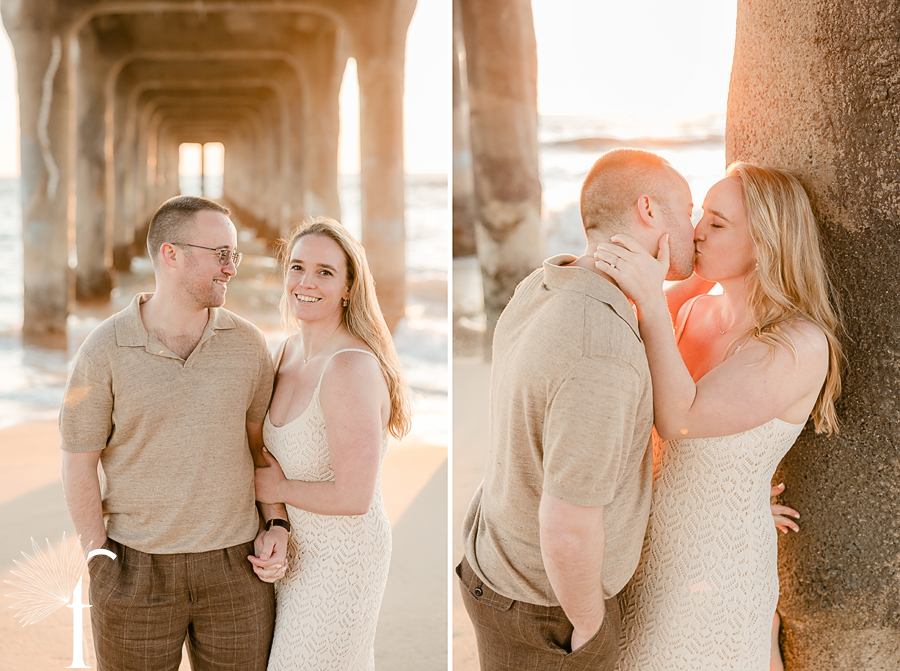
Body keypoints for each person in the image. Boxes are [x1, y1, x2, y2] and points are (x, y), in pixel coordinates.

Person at [594, 162, 843, 670]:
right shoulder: (691, 313)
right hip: (641, 552)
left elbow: (680, 420)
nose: (695, 230)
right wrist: (734, 490)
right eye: (700, 214)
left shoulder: (797, 344)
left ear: (766, 243)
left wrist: (734, 502)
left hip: (714, 570)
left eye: (718, 222)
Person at [458, 148, 698, 671]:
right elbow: (567, 527)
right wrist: (589, 627)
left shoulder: (545, 283)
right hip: (547, 613)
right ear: (649, 212)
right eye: (688, 206)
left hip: (496, 567)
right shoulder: (602, 348)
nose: (695, 225)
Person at [60, 195, 290, 670]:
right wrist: (99, 561)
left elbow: (257, 450)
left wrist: (278, 525)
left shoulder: (248, 345)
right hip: (135, 570)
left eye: (234, 255)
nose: (231, 268)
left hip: (236, 569)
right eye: (220, 254)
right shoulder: (100, 349)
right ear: (171, 254)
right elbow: (78, 464)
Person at [252, 217, 411, 671]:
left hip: (344, 561)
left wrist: (278, 493)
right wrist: (277, 524)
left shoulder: (349, 369)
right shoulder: (284, 353)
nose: (305, 282)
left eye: (324, 272)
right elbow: (265, 460)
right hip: (289, 556)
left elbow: (354, 495)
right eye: (297, 267)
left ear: (347, 287)